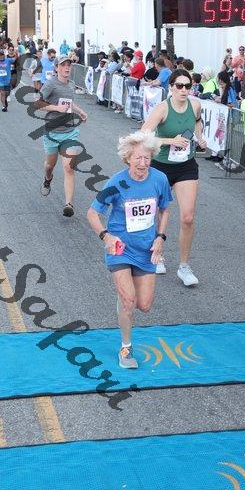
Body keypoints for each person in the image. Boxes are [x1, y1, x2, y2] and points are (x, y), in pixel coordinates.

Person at [87, 131, 172, 368]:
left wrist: (161, 237)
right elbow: (92, 213)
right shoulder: (117, 182)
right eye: (138, 158)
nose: (143, 163)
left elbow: (165, 209)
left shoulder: (160, 179)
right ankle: (126, 348)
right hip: (120, 248)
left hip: (146, 250)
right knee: (128, 300)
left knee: (144, 305)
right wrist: (106, 236)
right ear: (128, 158)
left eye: (147, 158)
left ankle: (125, 296)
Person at [141, 68, 207, 286]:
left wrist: (200, 138)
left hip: (186, 166)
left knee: (188, 217)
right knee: (159, 213)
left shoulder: (195, 105)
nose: (184, 90)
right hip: (161, 166)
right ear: (171, 87)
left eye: (188, 86)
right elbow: (143, 134)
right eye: (179, 86)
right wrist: (171, 141)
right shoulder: (162, 108)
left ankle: (184, 266)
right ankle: (157, 254)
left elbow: (197, 121)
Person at [34, 55, 88, 217]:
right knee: (49, 165)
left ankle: (68, 204)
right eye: (63, 65)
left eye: (68, 65)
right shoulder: (50, 84)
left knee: (69, 167)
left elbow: (69, 103)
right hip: (52, 132)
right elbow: (37, 103)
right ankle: (47, 178)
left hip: (69, 131)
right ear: (56, 67)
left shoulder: (71, 84)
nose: (66, 68)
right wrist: (56, 108)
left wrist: (80, 111)